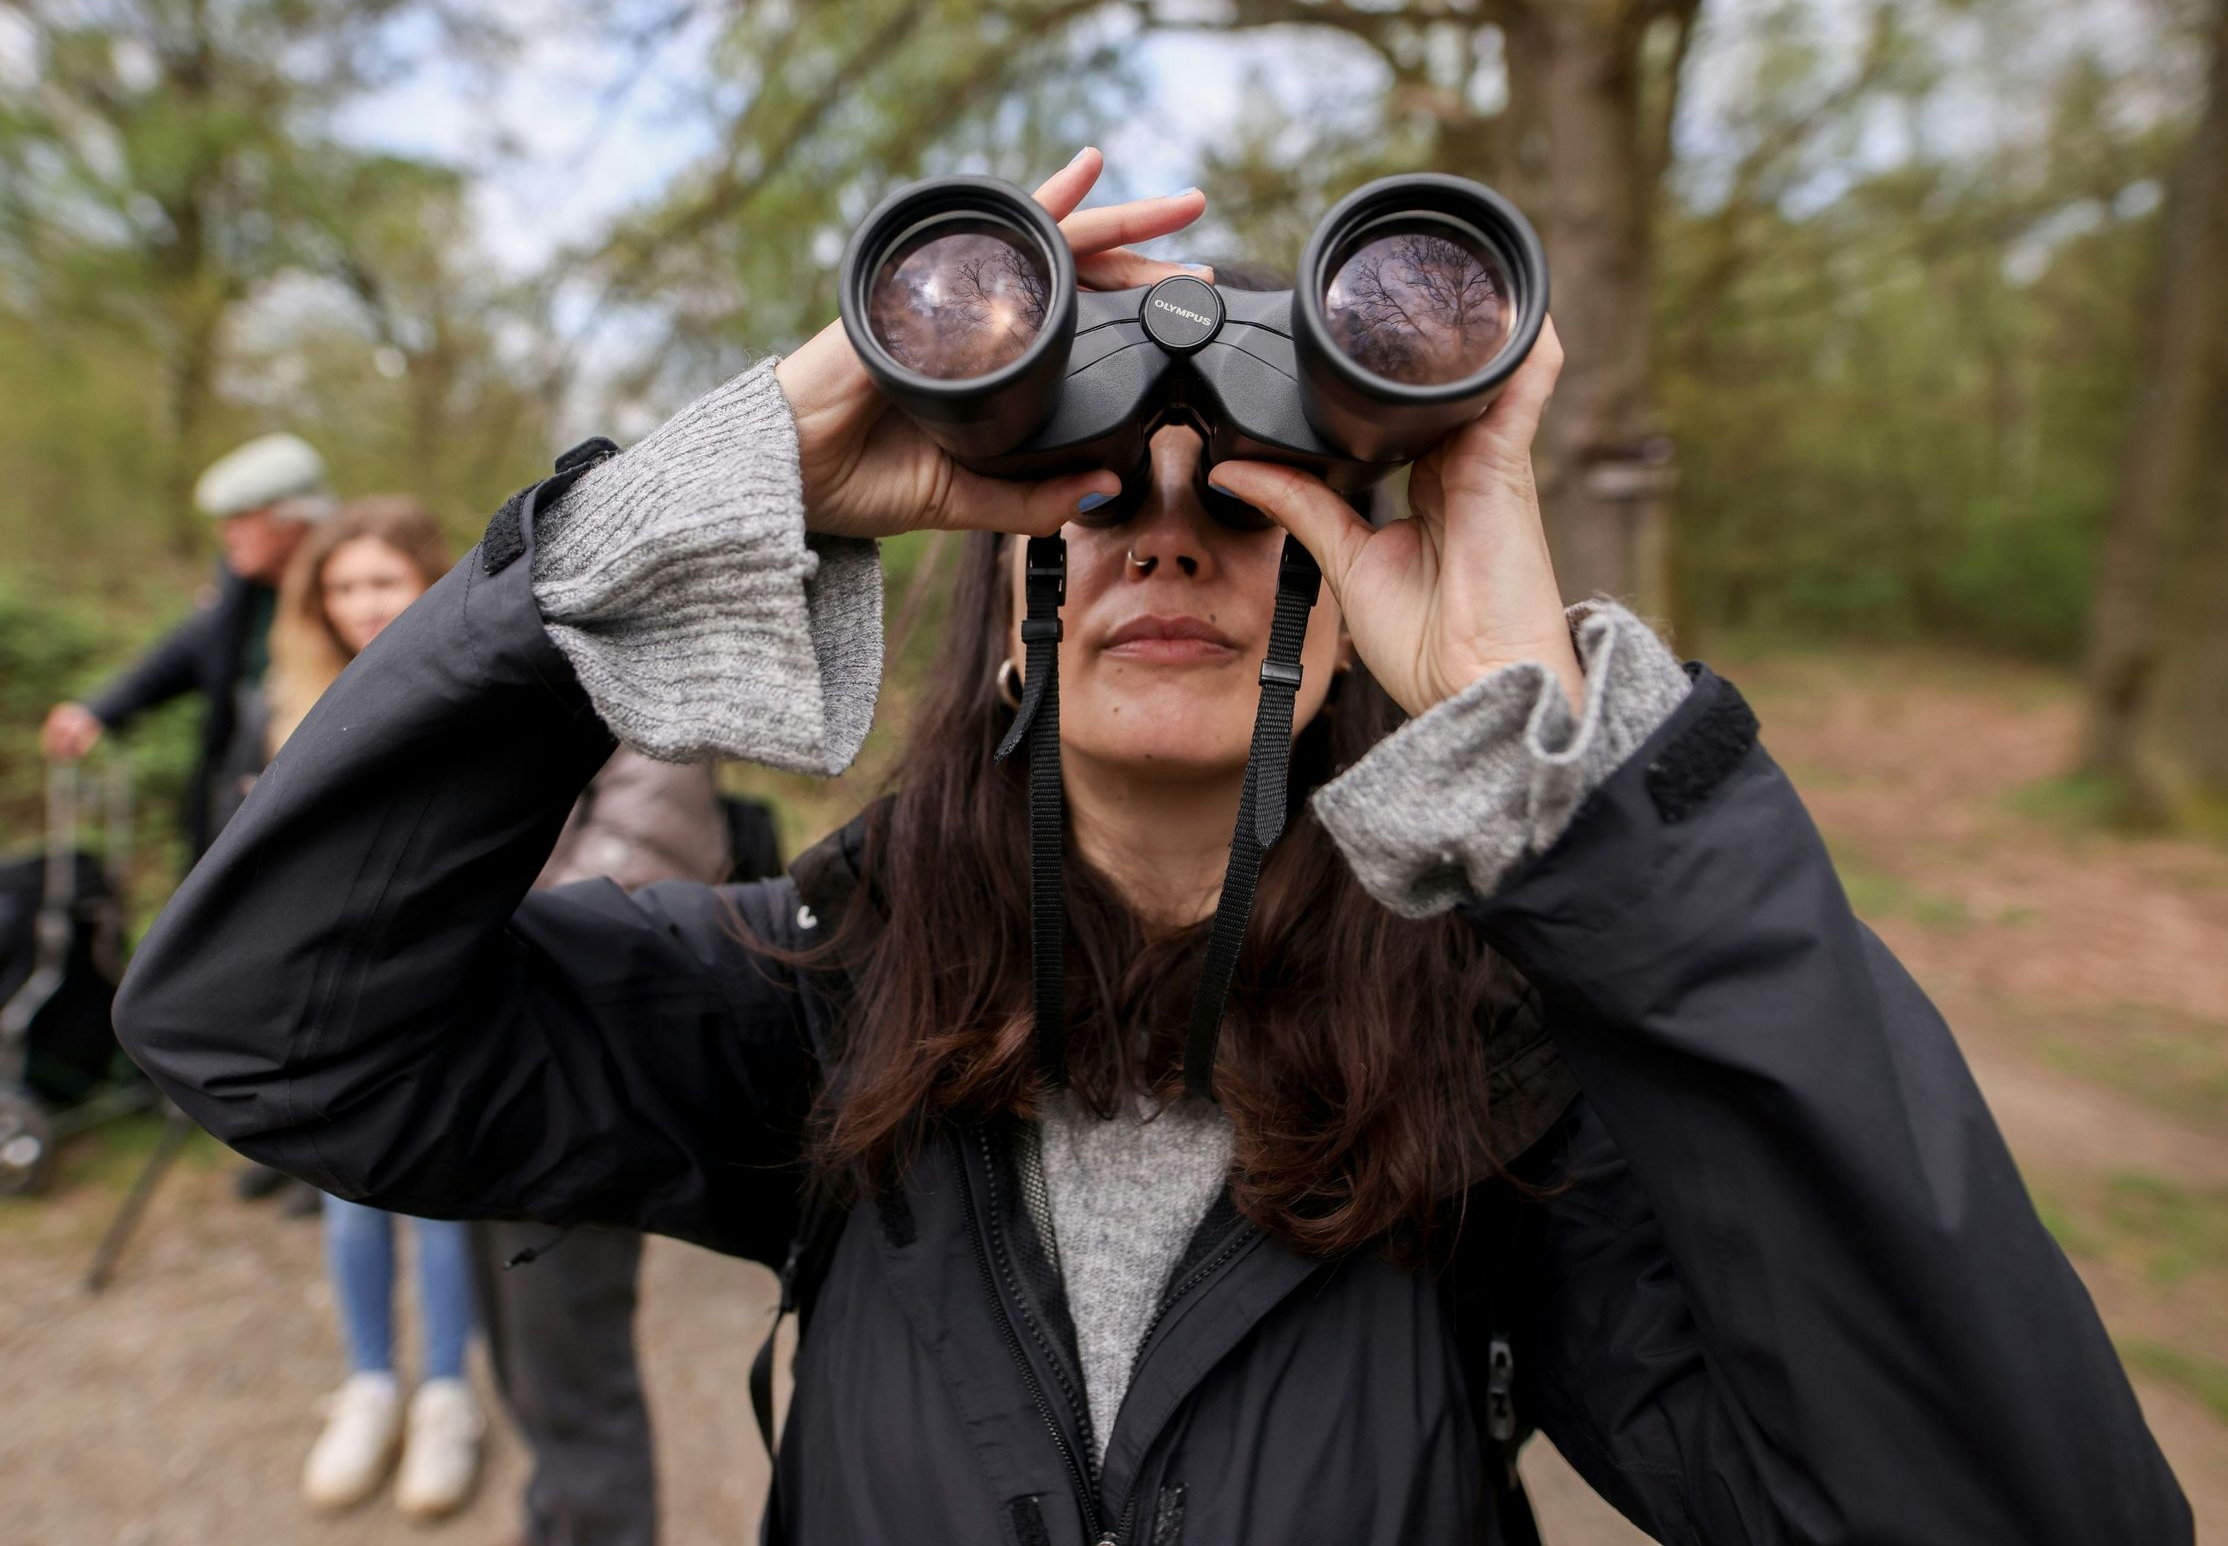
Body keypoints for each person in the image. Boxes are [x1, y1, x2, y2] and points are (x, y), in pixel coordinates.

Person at [114, 148, 2190, 1543]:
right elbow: (265, 1027)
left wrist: (1558, 763)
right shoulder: (813, 1015)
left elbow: (2015, 1502)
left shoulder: (1501, 1089)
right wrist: (695, 506)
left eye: (1256, 495)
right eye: (1099, 494)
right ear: (1002, 598)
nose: (1174, 523)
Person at [263, 497, 487, 1522]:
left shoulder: (468, 681)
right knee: (347, 1195)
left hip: (440, 985)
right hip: (329, 994)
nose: (360, 604)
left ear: (424, 583)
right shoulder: (293, 701)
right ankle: (370, 1381)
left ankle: (447, 1392)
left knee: (430, 1193)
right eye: (342, 587)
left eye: (381, 583)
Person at [471, 749, 730, 1546]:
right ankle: (555, 1519)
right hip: (475, 1083)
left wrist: (458, 950)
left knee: (573, 1369)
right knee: (522, 1357)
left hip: (567, 1083)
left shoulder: (618, 667)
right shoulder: (421, 679)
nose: (372, 612)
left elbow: (644, 854)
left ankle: (591, 1525)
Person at [42, 432, 335, 858]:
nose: (226, 532)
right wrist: (96, 710)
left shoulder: (346, 591)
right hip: (233, 798)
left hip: (311, 809)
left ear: (292, 522)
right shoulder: (242, 591)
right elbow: (184, 653)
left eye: (242, 518)